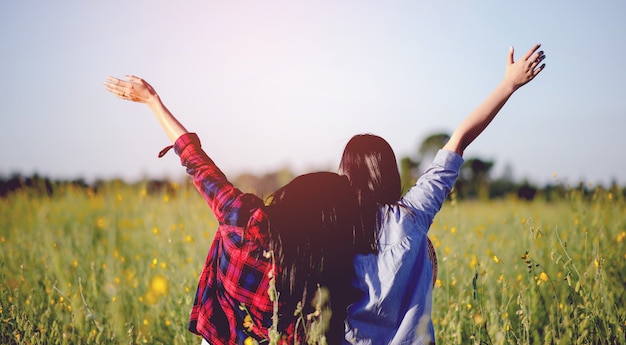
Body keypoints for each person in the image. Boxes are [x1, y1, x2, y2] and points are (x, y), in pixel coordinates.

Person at [104, 76, 359, 344]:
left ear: (292, 194)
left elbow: (196, 161)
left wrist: (152, 101)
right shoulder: (324, 267)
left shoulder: (244, 222)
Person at [340, 44, 546, 344]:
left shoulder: (334, 233)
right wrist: (508, 84)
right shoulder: (413, 215)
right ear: (390, 173)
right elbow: (459, 140)